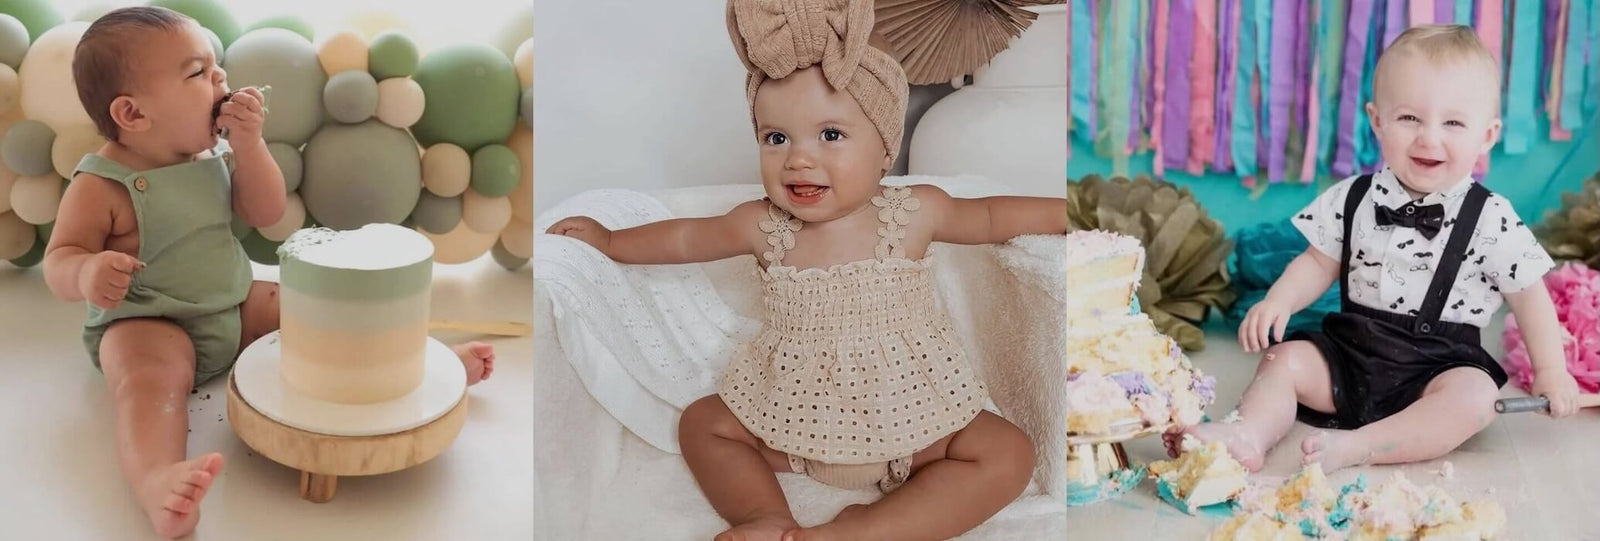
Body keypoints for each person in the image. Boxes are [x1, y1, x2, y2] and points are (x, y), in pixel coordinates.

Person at [546, 2, 1069, 538]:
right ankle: (766, 517)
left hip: (914, 427)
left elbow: (989, 214)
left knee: (1008, 453)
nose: (798, 159)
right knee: (703, 423)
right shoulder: (762, 225)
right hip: (791, 422)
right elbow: (685, 237)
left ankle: (859, 531)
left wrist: (1068, 213)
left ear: (885, 150)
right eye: (776, 138)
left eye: (831, 136)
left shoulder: (913, 211)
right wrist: (609, 240)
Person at [42, 8, 495, 537]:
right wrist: (87, 271)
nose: (219, 79)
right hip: (147, 320)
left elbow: (266, 211)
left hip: (232, 301)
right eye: (196, 72)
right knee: (150, 384)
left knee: (311, 307)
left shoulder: (208, 155)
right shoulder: (101, 185)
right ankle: (158, 478)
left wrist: (249, 146)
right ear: (133, 114)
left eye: (217, 66)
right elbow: (59, 260)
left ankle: (421, 370)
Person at [1168, 24, 1579, 474]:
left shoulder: (1492, 218)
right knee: (1283, 360)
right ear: (1376, 120)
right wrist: (1278, 300)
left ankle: (1361, 445)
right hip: (1352, 352)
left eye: (1454, 123)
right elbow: (1317, 262)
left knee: (1476, 397)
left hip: (1438, 366)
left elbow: (1529, 297)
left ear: (1487, 135)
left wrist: (1552, 372)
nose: (1428, 137)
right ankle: (1248, 433)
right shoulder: (1353, 196)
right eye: (1409, 118)